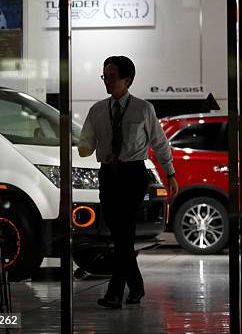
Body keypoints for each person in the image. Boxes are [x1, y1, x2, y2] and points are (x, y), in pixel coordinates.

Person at [79, 55, 178, 309]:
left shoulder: (143, 109)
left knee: (123, 232)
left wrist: (170, 173)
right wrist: (85, 147)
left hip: (133, 176)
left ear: (127, 80)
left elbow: (159, 142)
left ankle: (115, 292)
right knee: (120, 234)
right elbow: (86, 140)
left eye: (112, 77)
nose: (107, 82)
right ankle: (136, 285)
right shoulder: (98, 110)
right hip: (108, 175)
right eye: (105, 77)